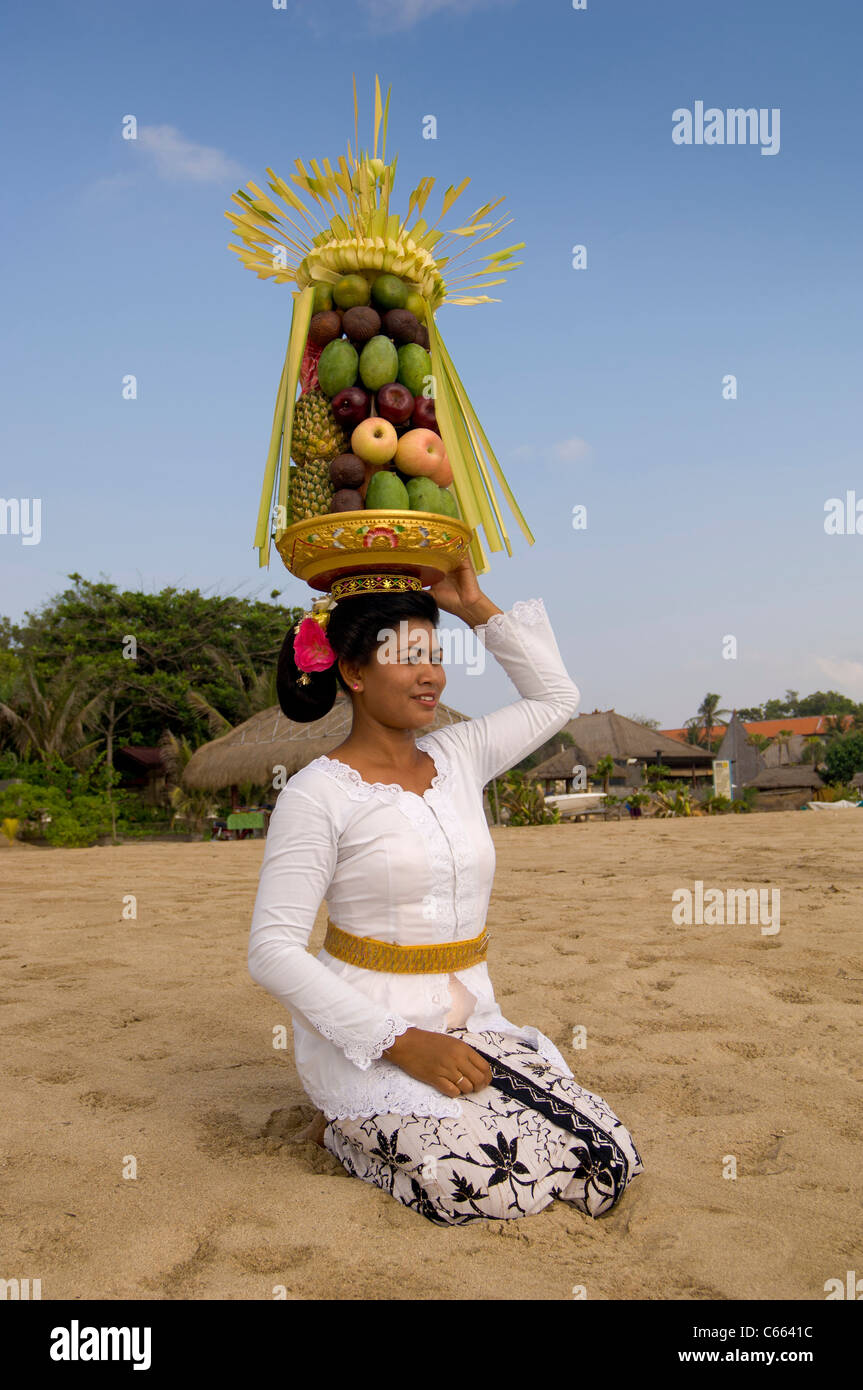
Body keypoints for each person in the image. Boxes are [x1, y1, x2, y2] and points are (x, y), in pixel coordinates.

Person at [248, 556, 643, 1224]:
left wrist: (473, 605)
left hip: (469, 1020)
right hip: (366, 1035)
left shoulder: (461, 755)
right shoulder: (318, 793)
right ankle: (344, 1131)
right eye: (407, 656)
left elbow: (554, 698)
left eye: (434, 653)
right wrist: (400, 1043)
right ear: (352, 671)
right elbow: (272, 950)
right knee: (492, 1188)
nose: (431, 673)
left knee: (607, 1159)